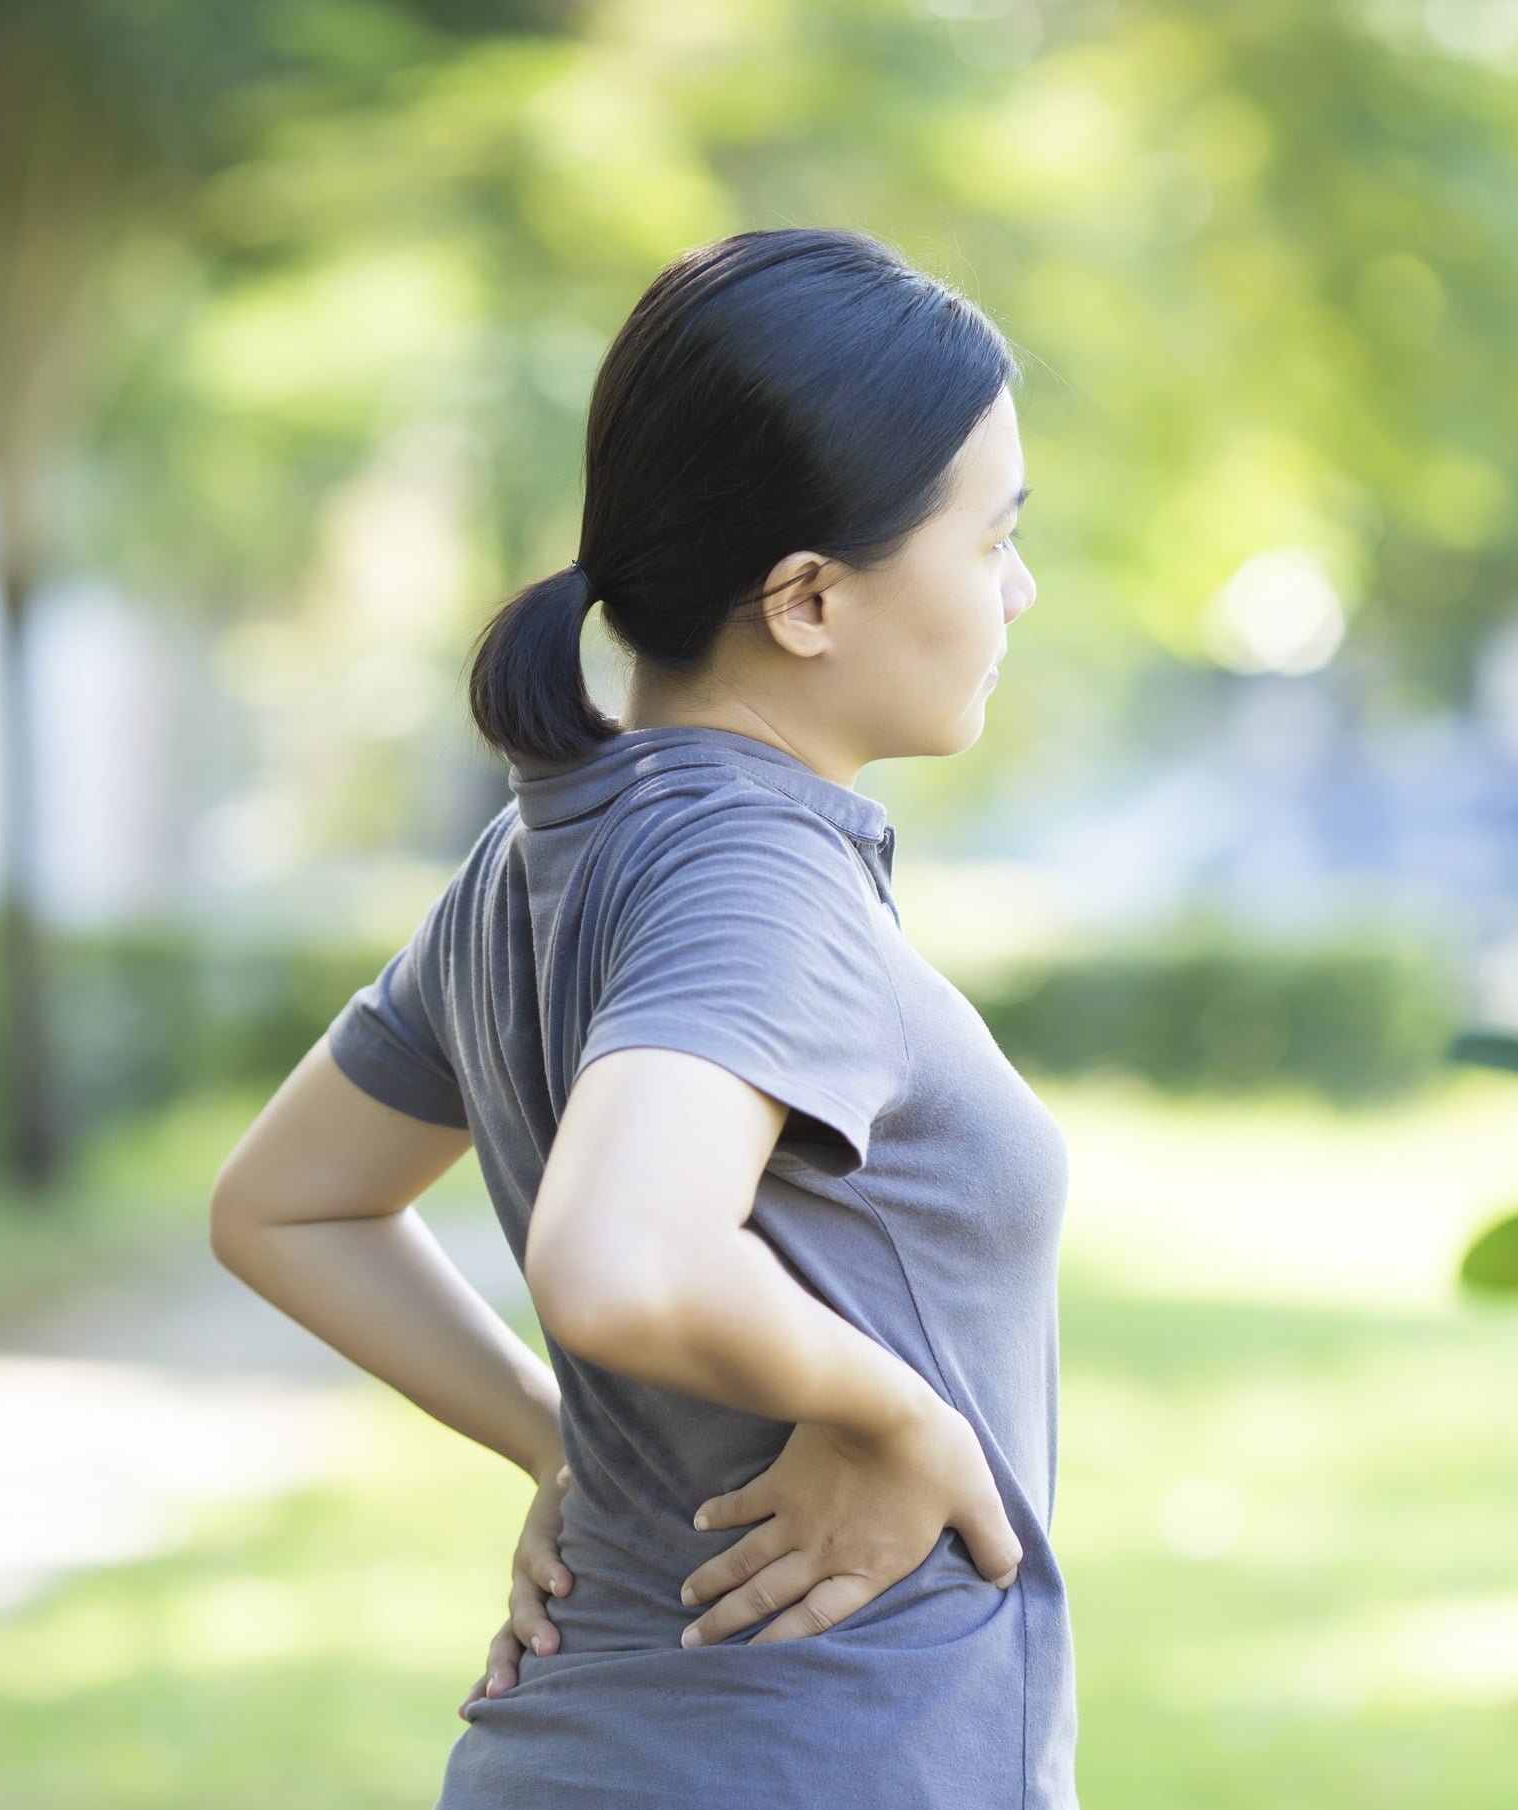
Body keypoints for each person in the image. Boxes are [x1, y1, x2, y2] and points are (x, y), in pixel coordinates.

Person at [208, 225, 1071, 1808]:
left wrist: (562, 1446)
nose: (1019, 588)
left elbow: (288, 1203)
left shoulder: (551, 843)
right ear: (807, 598)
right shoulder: (761, 876)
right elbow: (624, 1255)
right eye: (989, 537)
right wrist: (897, 1414)